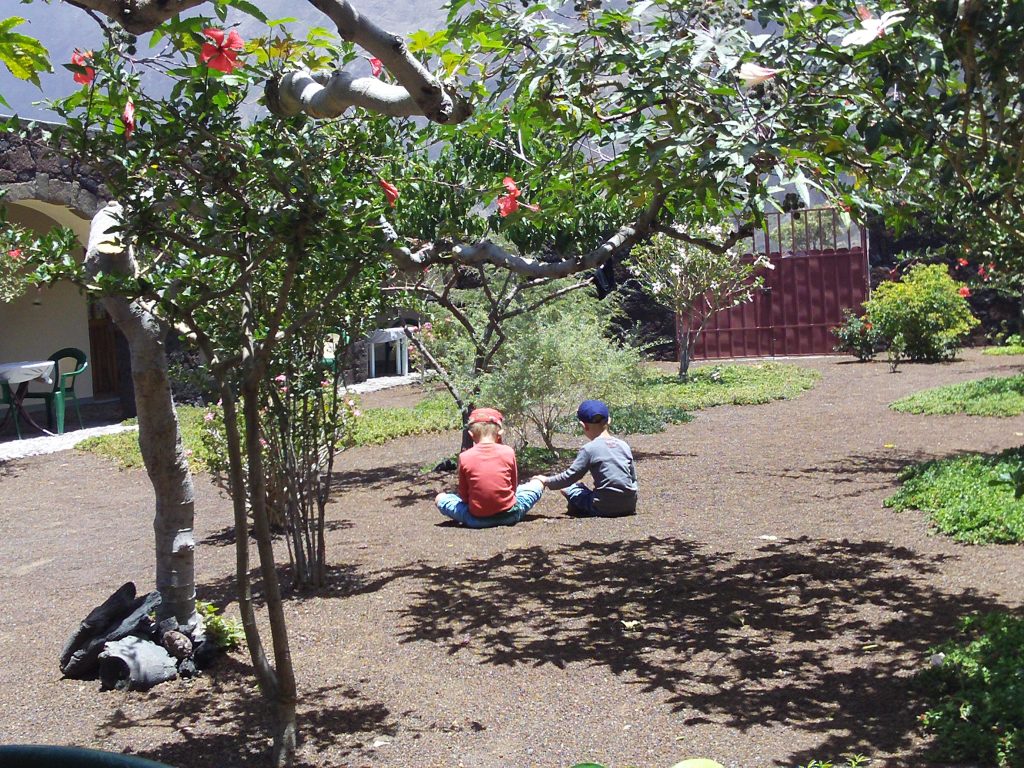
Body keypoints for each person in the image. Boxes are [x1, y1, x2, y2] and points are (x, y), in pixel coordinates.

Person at [434, 407, 544, 528]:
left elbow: (464, 497)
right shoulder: (508, 452)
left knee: (441, 498)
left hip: (476, 519)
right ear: (500, 433)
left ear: (471, 434)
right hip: (510, 515)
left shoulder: (464, 457)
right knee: (537, 483)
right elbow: (513, 489)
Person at [534, 399, 637, 517]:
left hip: (602, 507)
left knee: (572, 488)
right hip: (629, 505)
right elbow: (632, 478)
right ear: (609, 421)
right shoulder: (623, 445)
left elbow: (570, 476)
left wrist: (546, 481)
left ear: (583, 426)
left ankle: (578, 506)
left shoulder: (589, 449)